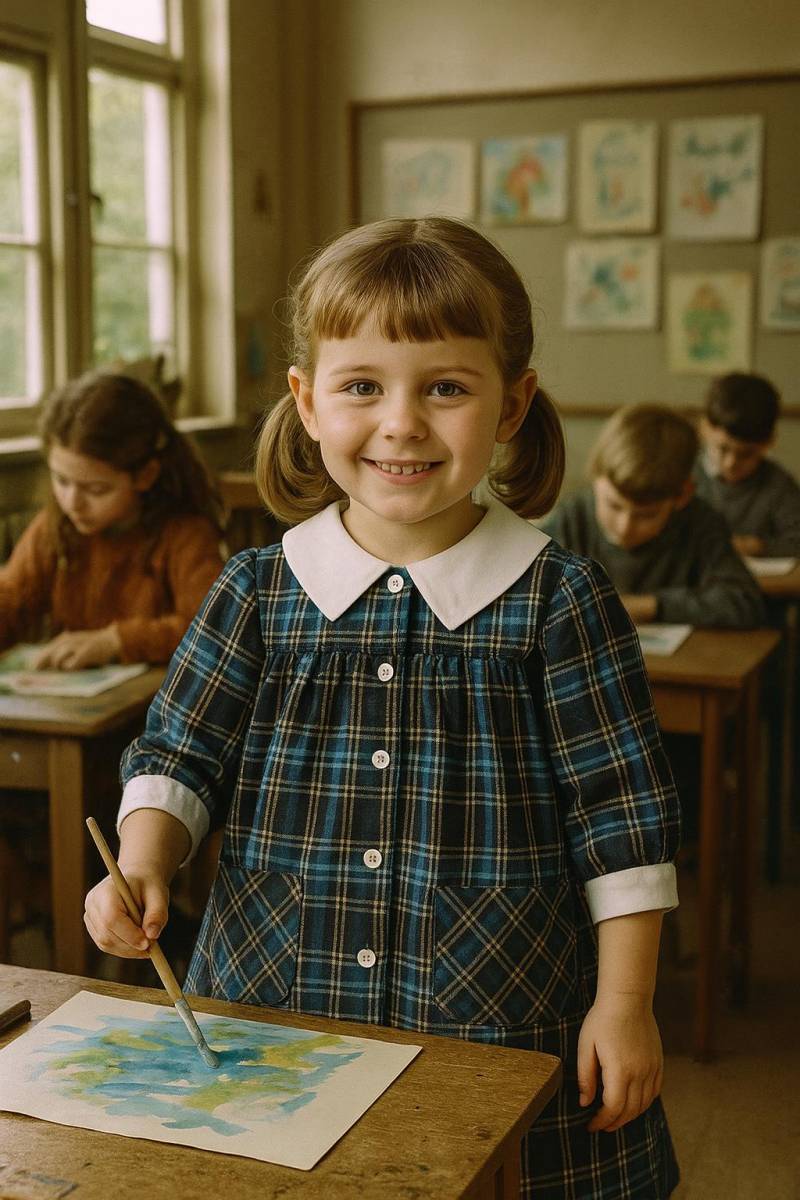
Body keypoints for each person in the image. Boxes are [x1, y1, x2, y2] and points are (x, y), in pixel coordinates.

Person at [85, 218, 682, 1199]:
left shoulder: (560, 598)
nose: (401, 422)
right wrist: (143, 861)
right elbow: (177, 752)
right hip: (278, 1009)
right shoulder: (253, 590)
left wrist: (626, 1004)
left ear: (510, 404)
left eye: (444, 387)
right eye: (362, 385)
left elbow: (622, 823)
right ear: (306, 402)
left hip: (500, 1020)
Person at [0, 370, 225, 667]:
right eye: (61, 481)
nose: (72, 502)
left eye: (96, 489)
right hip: (80, 708)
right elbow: (12, 600)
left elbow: (216, 631)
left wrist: (115, 641)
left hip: (158, 706)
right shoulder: (55, 526)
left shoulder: (185, 534)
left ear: (145, 475)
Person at [546, 404, 765, 629]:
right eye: (614, 506)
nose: (625, 527)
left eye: (646, 515)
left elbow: (744, 602)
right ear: (595, 475)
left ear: (683, 496)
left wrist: (648, 606)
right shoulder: (571, 518)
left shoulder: (700, 523)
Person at [694, 372, 800, 558]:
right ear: (704, 429)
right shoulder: (681, 475)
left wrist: (758, 547)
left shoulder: (778, 485)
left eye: (746, 454)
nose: (731, 463)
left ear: (769, 442)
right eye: (723, 448)